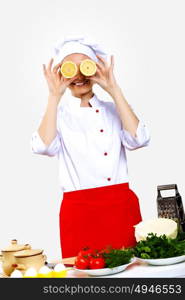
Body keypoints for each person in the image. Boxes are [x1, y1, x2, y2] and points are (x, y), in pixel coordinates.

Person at [31, 35, 150, 258]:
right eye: (70, 68)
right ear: (61, 74)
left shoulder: (114, 109)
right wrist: (53, 95)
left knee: (131, 278)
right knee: (83, 284)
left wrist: (114, 89)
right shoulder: (58, 114)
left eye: (85, 66)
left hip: (120, 208)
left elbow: (139, 139)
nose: (78, 75)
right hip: (79, 213)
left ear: (95, 69)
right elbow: (43, 147)